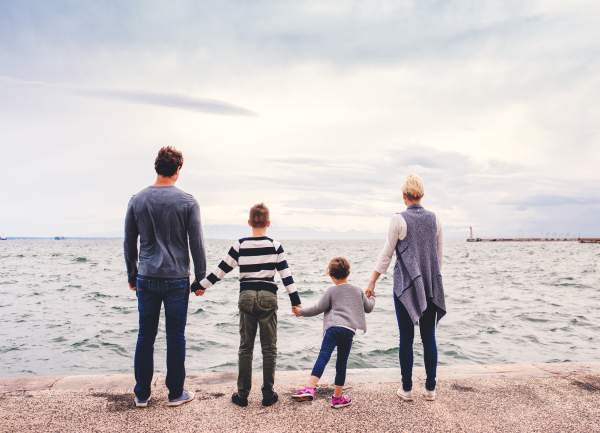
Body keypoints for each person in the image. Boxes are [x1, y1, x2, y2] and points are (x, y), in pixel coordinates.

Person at [124, 146, 206, 408]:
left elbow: (129, 242)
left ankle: (141, 395)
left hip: (146, 276)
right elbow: (197, 243)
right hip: (176, 278)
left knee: (145, 335)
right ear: (178, 170)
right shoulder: (188, 202)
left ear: (156, 167)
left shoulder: (137, 200)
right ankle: (175, 394)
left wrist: (132, 274)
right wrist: (201, 278)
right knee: (176, 336)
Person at [198, 203, 301, 407]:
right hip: (268, 297)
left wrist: (201, 286)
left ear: (249, 222)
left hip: (246, 296)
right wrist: (295, 302)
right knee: (269, 348)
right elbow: (286, 277)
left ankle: (243, 395)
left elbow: (221, 270)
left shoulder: (240, 245)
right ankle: (268, 394)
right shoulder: (275, 246)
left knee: (246, 347)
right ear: (268, 223)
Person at [365, 174, 445, 402]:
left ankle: (407, 390)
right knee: (429, 337)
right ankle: (430, 390)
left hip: (404, 287)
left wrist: (372, 283)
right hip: (430, 286)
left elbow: (386, 255)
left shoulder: (398, 220)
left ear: (404, 196)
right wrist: (428, 281)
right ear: (422, 195)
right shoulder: (435, 220)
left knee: (406, 339)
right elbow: (438, 259)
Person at [291, 257, 375, 409]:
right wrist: (372, 296)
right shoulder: (358, 290)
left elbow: (317, 309)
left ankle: (310, 388)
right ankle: (337, 398)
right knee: (341, 364)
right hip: (349, 331)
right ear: (348, 273)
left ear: (331, 275)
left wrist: (300, 312)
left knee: (324, 356)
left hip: (333, 329)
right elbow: (368, 308)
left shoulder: (331, 291)